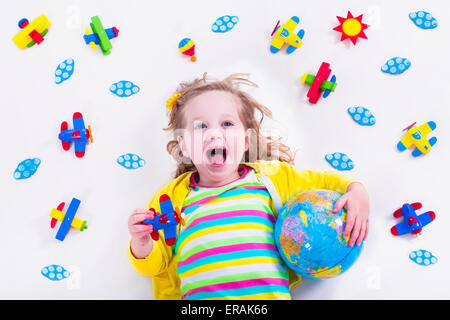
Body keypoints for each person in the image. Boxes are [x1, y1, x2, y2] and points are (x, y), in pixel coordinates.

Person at [128, 73, 370, 300]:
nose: (214, 134)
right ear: (185, 146)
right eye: (201, 126)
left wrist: (356, 190)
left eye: (227, 124)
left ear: (245, 140)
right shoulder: (172, 198)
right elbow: (155, 264)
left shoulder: (269, 178)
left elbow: (324, 182)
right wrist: (141, 244)